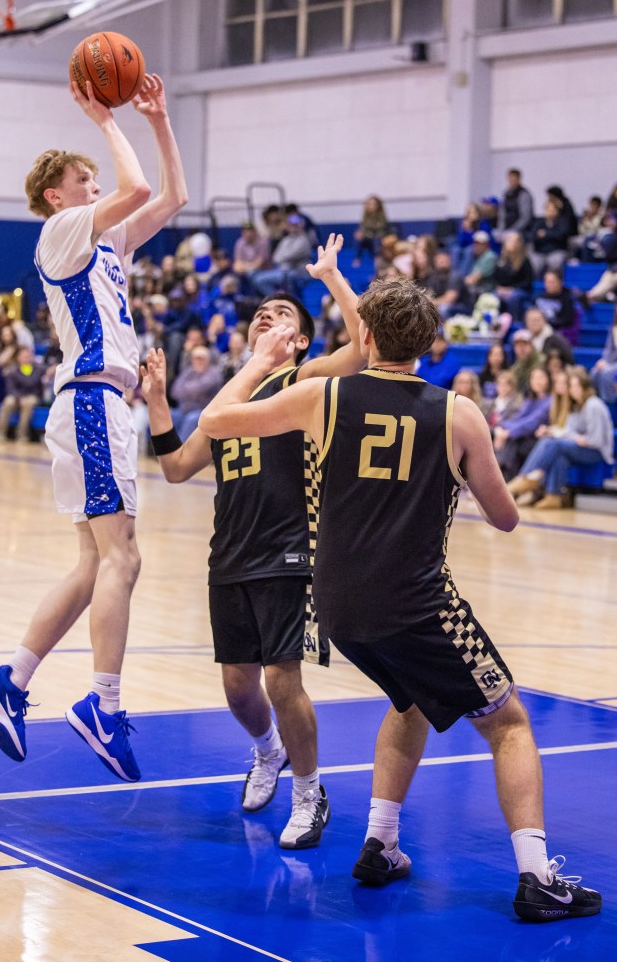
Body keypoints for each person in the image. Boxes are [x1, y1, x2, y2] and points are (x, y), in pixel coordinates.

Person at [198, 279, 602, 923]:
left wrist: (258, 364)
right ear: (431, 343)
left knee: (409, 699)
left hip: (337, 607)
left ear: (364, 336)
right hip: (417, 604)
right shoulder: (458, 412)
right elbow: (505, 518)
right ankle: (538, 879)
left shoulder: (324, 396)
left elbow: (213, 422)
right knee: (509, 723)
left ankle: (381, 845)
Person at [0, 72, 188, 782]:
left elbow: (172, 198)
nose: (95, 187)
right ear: (54, 197)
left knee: (97, 564)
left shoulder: (105, 244)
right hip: (94, 402)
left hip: (96, 404)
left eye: (95, 180)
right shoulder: (61, 232)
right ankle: (103, 704)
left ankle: (10, 680)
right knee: (123, 560)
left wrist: (159, 118)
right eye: (83, 181)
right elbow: (134, 187)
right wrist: (107, 119)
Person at [141, 234, 365, 851]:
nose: (266, 314)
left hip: (290, 548)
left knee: (281, 678)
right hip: (230, 551)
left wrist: (331, 279)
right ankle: (268, 751)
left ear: (299, 341)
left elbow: (363, 347)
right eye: (260, 313)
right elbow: (177, 467)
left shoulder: (304, 379)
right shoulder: (233, 395)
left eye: (281, 314)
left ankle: (310, 791)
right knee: (238, 687)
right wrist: (157, 402)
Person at [508, 367, 614, 509]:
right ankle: (554, 496)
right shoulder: (576, 406)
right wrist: (557, 432)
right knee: (558, 454)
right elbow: (569, 432)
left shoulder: (593, 405)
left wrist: (576, 438)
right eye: (571, 386)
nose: (573, 390)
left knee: (552, 444)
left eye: (576, 386)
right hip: (581, 446)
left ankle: (527, 477)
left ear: (585, 387)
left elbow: (597, 441)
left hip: (596, 452)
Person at [0, 346, 46, 443]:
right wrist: (19, 397)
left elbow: (36, 385)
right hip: (16, 396)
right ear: (18, 357)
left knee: (28, 402)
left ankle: (22, 435)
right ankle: (0, 433)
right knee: (8, 401)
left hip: (33, 396)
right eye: (24, 356)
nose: (26, 358)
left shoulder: (40, 369)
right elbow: (10, 388)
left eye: (28, 356)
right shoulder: (12, 370)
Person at [590, 304, 617, 403]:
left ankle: (608, 402)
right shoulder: (614, 328)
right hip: (612, 361)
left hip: (614, 362)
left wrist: (608, 362)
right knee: (594, 372)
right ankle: (596, 401)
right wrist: (604, 360)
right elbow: (608, 348)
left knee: (606, 374)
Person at [353, 196, 388, 267]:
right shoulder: (365, 215)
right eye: (369, 204)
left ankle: (377, 258)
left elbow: (379, 228)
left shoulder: (381, 215)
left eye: (373, 204)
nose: (371, 206)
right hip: (367, 237)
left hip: (377, 236)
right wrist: (362, 233)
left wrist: (367, 233)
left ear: (378, 205)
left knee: (377, 240)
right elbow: (363, 227)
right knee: (359, 238)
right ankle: (357, 258)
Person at [499, 168, 534, 239]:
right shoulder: (506, 194)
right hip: (506, 230)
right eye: (510, 179)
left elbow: (525, 217)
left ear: (519, 179)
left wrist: (513, 231)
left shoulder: (524, 194)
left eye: (513, 179)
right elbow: (502, 214)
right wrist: (501, 230)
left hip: (520, 231)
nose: (511, 182)